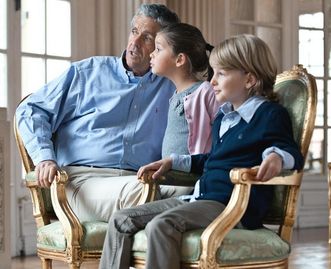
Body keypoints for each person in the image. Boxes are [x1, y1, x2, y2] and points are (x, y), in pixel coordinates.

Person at [98, 34, 304, 269]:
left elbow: (289, 150)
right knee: (120, 219)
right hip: (201, 199)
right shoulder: (223, 118)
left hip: (232, 205)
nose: (212, 81)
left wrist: (276, 157)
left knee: (161, 225)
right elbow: (211, 160)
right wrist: (173, 161)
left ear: (249, 79)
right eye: (212, 73)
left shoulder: (269, 114)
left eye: (221, 74)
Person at [15, 4, 182, 222]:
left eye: (147, 38)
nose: (135, 42)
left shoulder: (171, 85)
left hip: (141, 179)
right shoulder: (86, 73)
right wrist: (44, 158)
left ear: (163, 47)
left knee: (194, 192)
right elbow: (30, 109)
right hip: (82, 182)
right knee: (144, 195)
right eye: (134, 32)